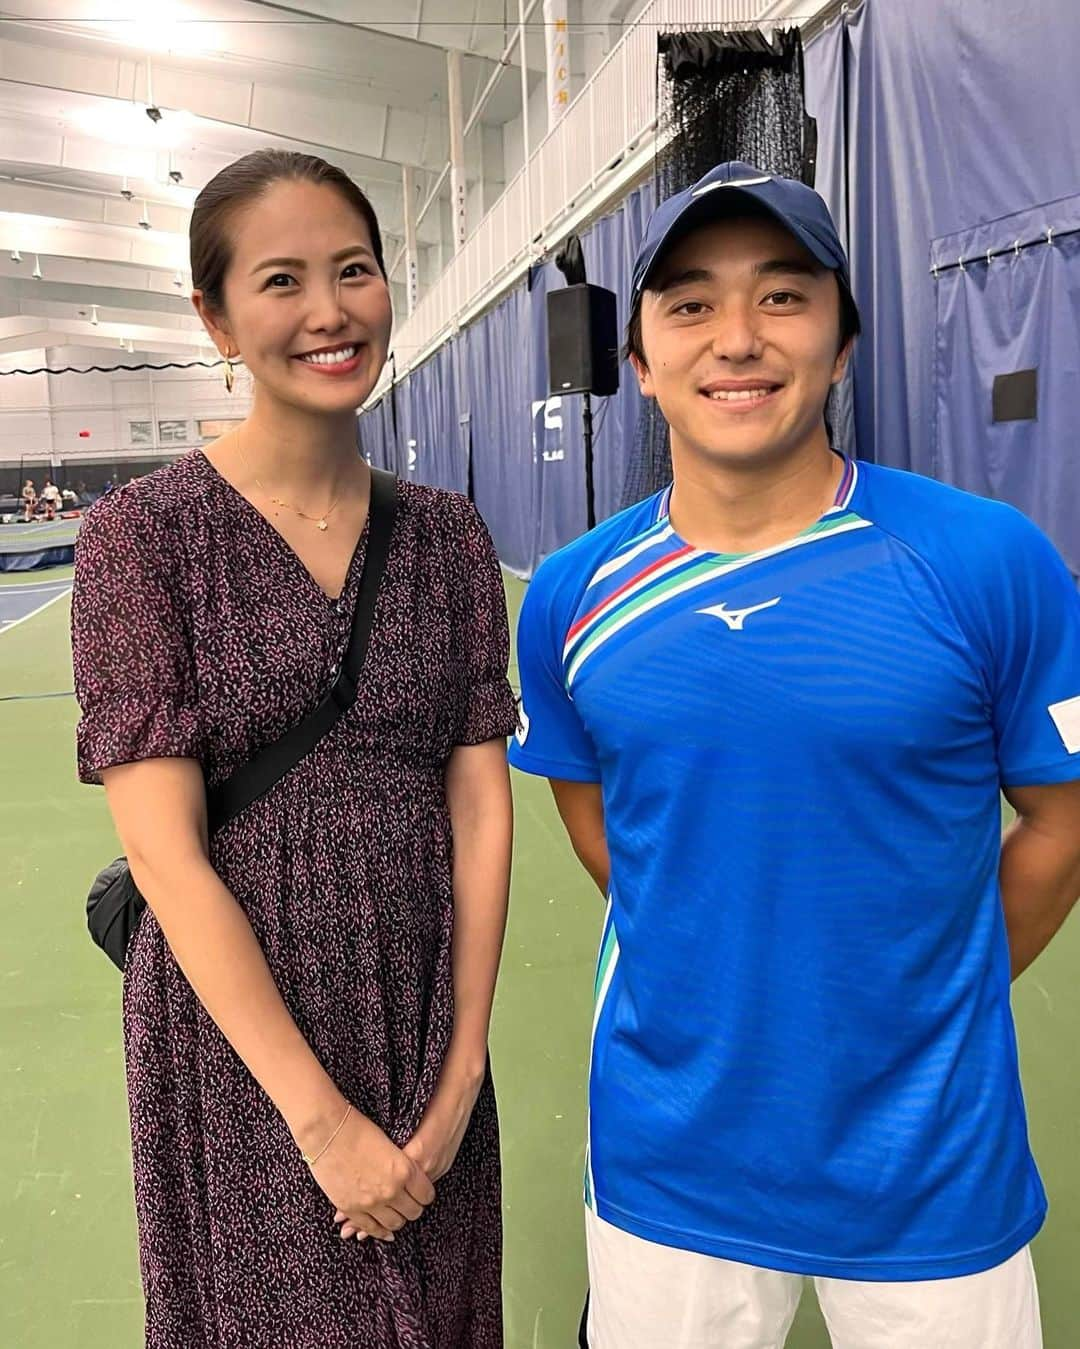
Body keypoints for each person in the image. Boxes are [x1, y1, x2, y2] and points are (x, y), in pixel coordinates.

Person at [509, 162, 1080, 1349]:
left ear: (843, 339)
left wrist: (929, 982)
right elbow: (603, 826)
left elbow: (1062, 820)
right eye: (690, 304)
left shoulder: (988, 562)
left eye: (782, 296)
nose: (738, 339)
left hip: (935, 1158)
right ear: (640, 361)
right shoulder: (571, 597)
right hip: (672, 1158)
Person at [71, 149, 516, 1348]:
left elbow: (480, 806)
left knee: (445, 1305)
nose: (330, 311)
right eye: (282, 280)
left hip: (422, 1012)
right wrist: (320, 1122)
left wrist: (464, 1063)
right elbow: (165, 857)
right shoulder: (140, 539)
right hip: (241, 1042)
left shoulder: (449, 537)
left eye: (354, 270)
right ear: (215, 317)